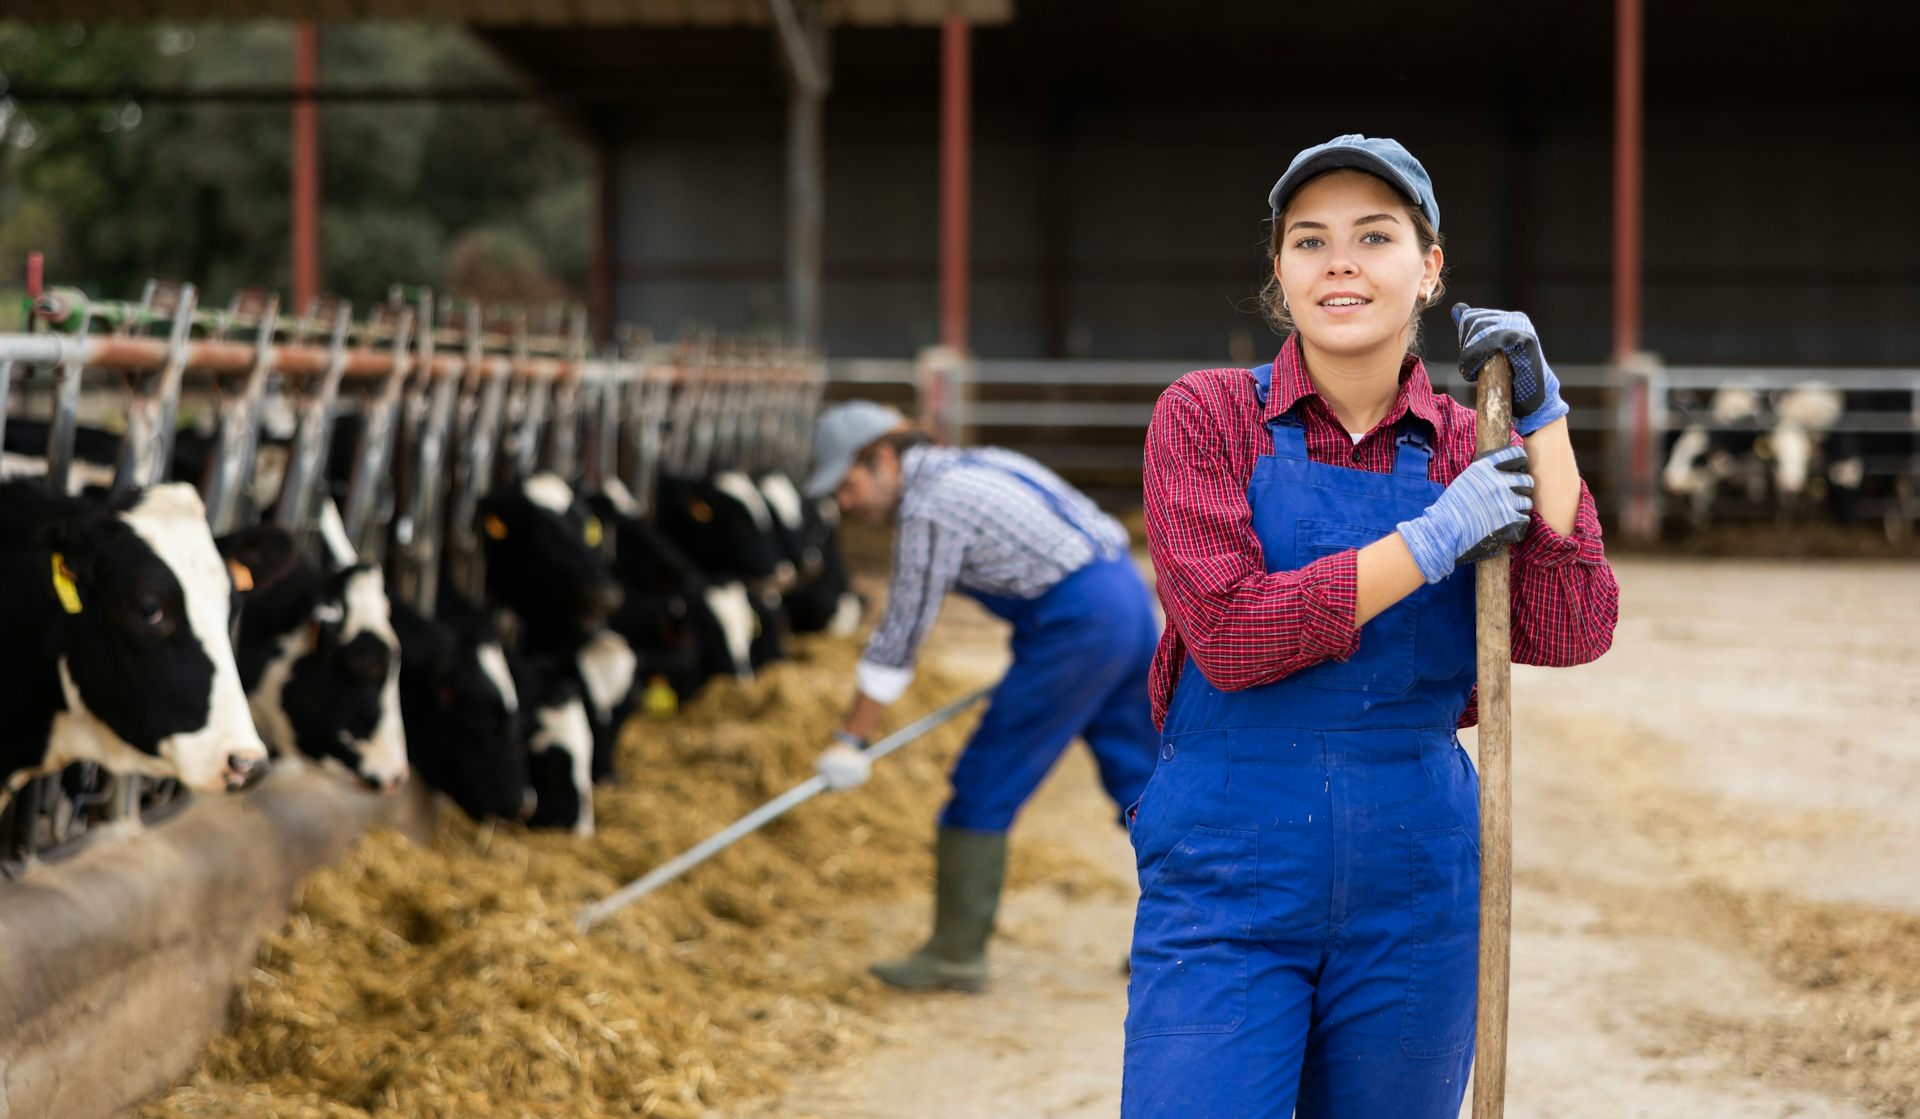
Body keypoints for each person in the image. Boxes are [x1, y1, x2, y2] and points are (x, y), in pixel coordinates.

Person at [1125, 134, 1620, 1117]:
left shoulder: (1474, 448)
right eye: (1308, 241)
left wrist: (1545, 418)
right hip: (1227, 881)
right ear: (1279, 272)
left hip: (1416, 890)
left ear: (1429, 268)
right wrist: (1431, 543)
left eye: (1375, 236)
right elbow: (1228, 637)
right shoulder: (1209, 417)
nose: (1339, 261)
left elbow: (1573, 622)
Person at [804, 402, 1160, 992]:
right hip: (1121, 595)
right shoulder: (979, 463)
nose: (844, 504)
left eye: (847, 484)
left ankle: (955, 954)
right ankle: (1194, 936)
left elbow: (902, 632)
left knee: (985, 779)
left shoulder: (929, 507)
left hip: (1078, 622)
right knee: (1142, 775)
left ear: (884, 459)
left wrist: (850, 740)